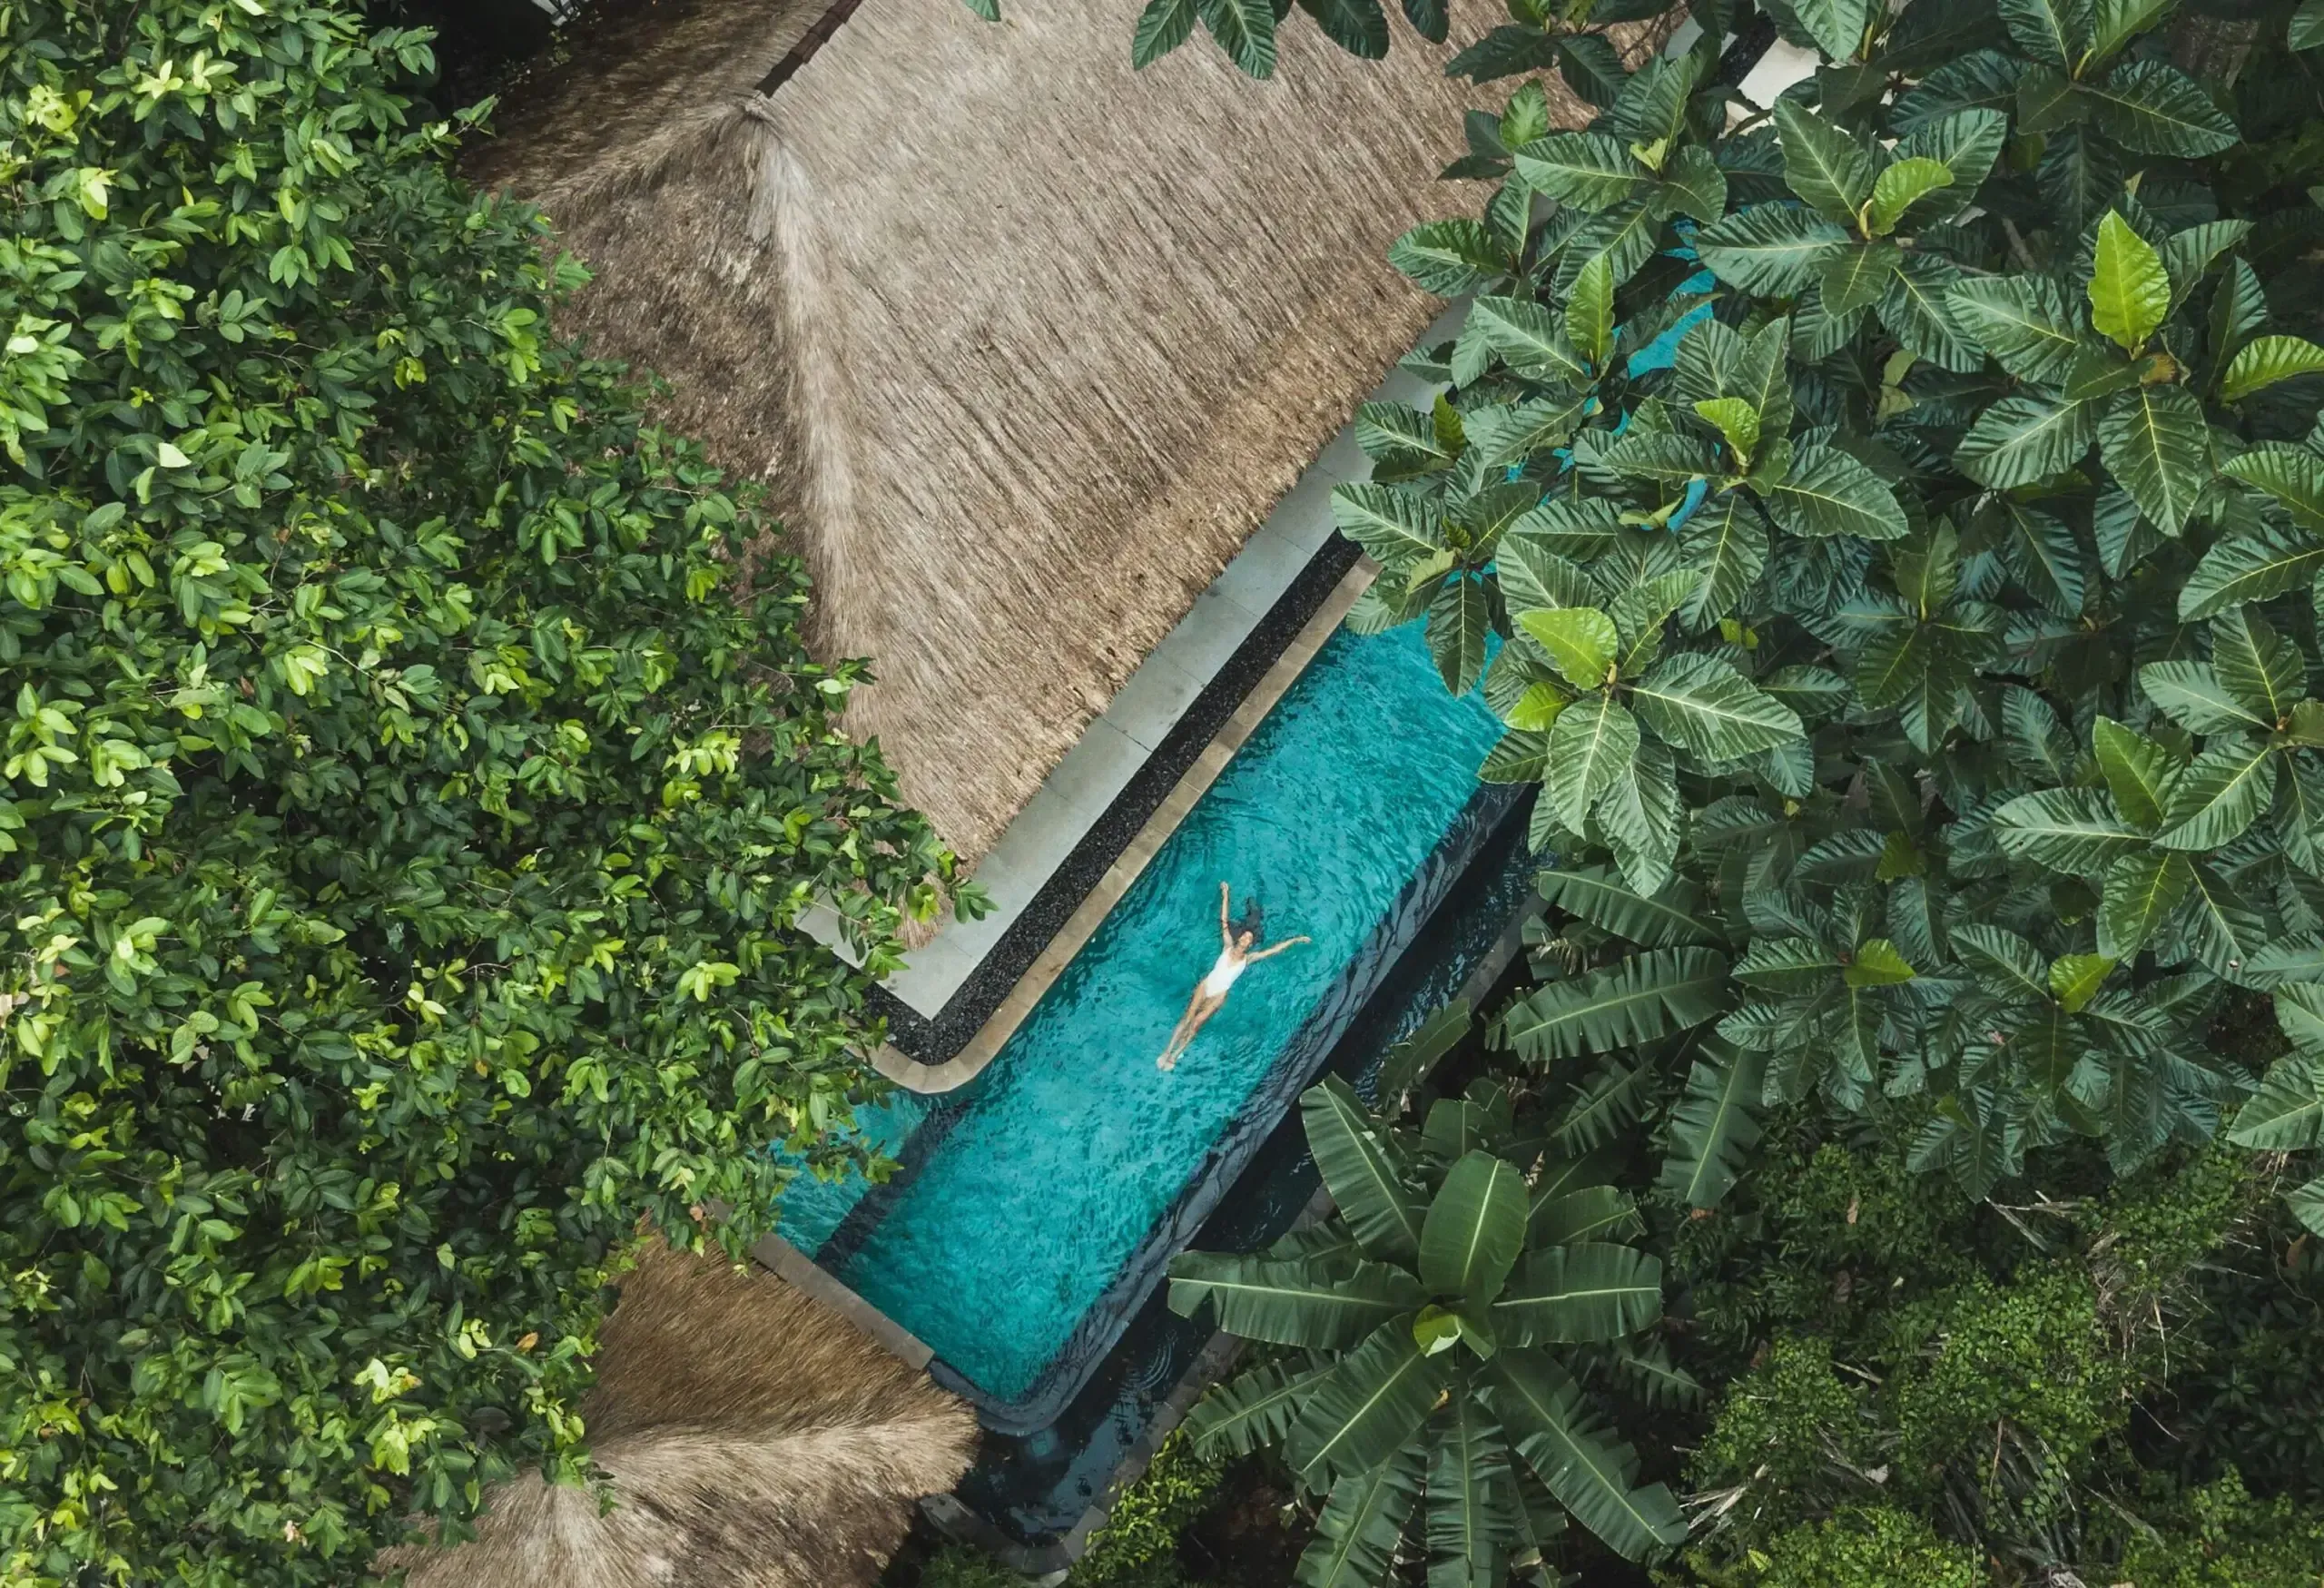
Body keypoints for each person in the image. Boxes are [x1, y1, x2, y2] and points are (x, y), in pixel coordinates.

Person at [1157, 883, 1309, 1070]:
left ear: (1250, 944)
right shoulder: (1227, 946)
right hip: (1207, 985)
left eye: (1249, 940)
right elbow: (1224, 920)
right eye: (1244, 937)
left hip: (1219, 995)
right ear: (1239, 939)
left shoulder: (1248, 959)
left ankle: (1178, 1053)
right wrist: (1226, 894)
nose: (1245, 940)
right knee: (1188, 1016)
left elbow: (1272, 951)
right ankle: (1167, 1050)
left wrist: (1295, 940)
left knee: (1196, 1025)